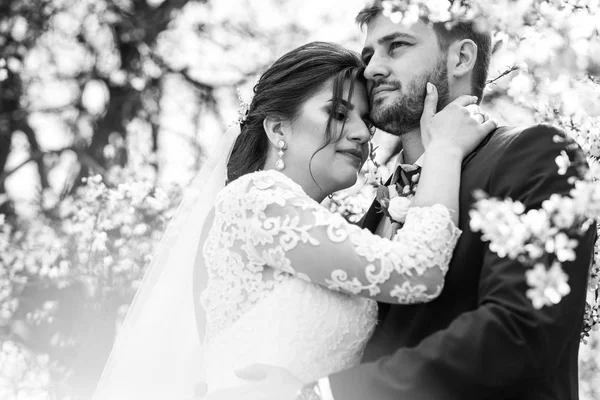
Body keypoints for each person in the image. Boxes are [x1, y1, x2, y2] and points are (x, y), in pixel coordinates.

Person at [209, 3, 596, 400]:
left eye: (396, 46)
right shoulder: (364, 221)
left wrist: (323, 394)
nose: (373, 68)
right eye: (369, 55)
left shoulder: (536, 156)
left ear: (461, 57)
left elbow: (522, 332)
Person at [91, 41, 494, 400]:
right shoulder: (254, 201)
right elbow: (418, 272)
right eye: (338, 112)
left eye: (366, 122)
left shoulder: (332, 230)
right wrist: (444, 152)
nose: (361, 134)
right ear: (278, 127)